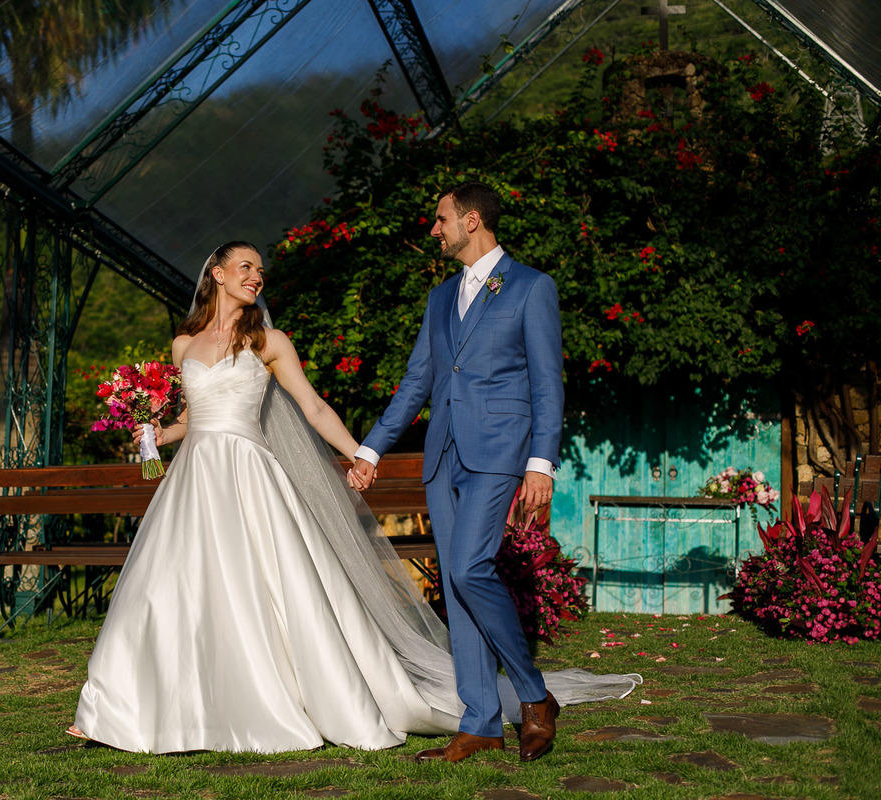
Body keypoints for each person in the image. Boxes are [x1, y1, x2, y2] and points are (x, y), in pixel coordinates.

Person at [68, 240, 638, 755]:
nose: (256, 277)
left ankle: (264, 705)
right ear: (216, 273)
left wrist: (360, 456)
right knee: (166, 589)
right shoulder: (183, 344)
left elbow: (314, 408)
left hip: (248, 477)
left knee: (257, 591)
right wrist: (152, 431)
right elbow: (194, 417)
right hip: (194, 481)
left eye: (261, 271)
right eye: (245, 267)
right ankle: (121, 707)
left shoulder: (270, 342)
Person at [352, 182, 565, 763]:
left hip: (499, 453)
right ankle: (481, 722)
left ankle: (534, 696)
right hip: (442, 454)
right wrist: (371, 450)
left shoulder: (531, 286)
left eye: (440, 219)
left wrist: (540, 463)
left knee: (471, 568)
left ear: (471, 221)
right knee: (456, 585)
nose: (434, 229)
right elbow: (417, 382)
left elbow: (547, 382)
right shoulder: (440, 297)